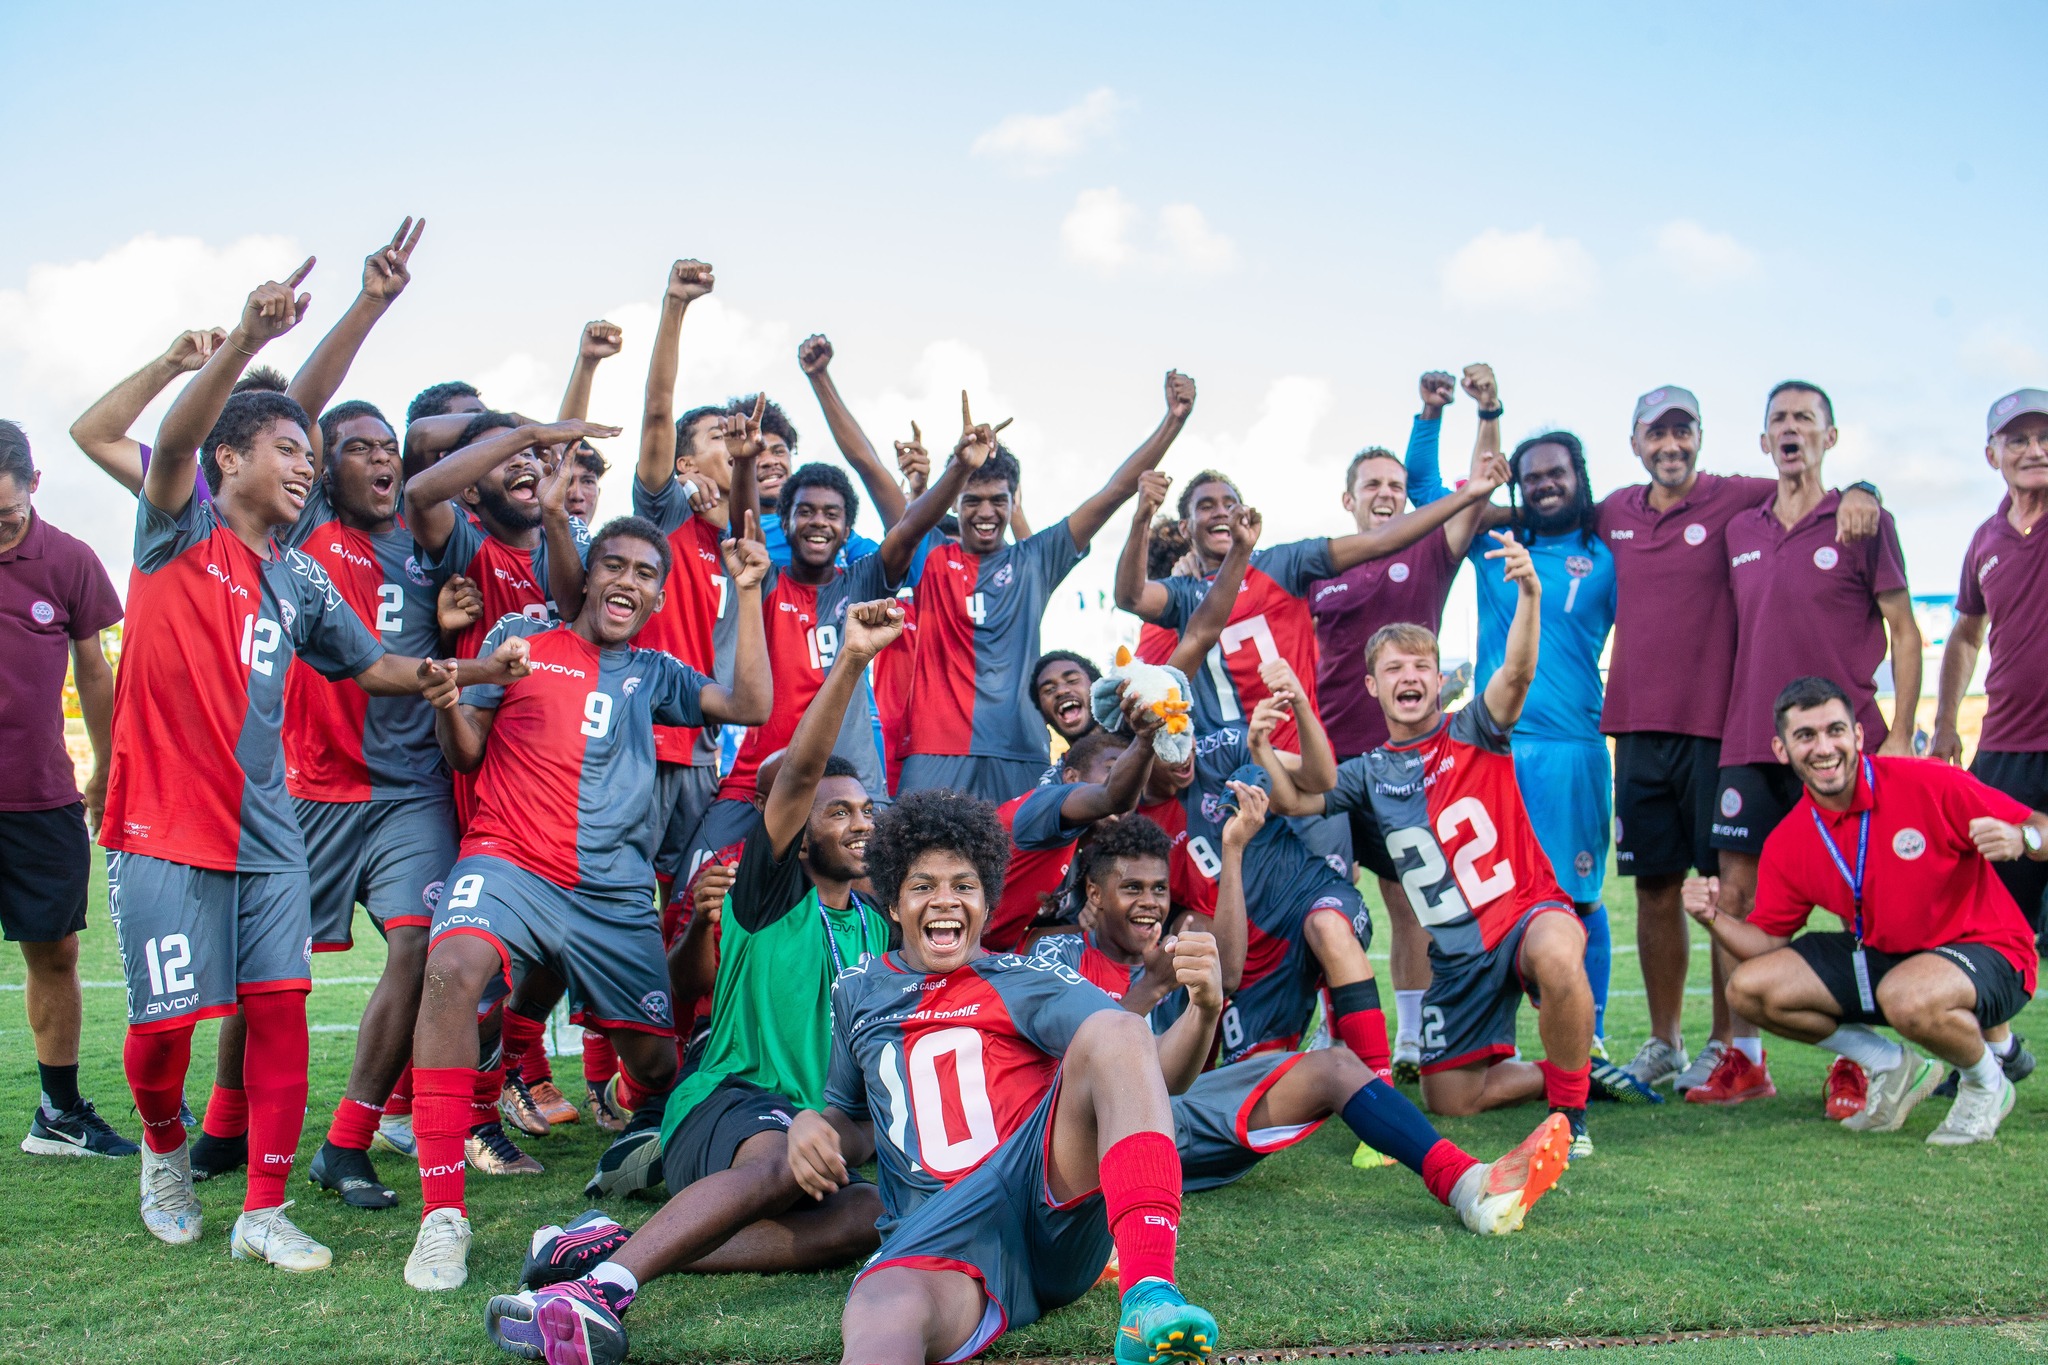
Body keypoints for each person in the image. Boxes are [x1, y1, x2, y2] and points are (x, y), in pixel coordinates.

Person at [103, 262, 526, 1270]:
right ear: (230, 458)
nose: (305, 465)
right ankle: (164, 1147)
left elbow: (376, 665)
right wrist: (246, 340)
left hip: (266, 824)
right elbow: (166, 439)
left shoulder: (297, 579)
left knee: (279, 1006)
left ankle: (261, 1208)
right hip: (162, 819)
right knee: (166, 1029)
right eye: (290, 448)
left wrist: (472, 667)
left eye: (310, 453)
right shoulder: (177, 529)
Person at [482, 599, 907, 1361]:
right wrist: (851, 660)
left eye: (866, 809)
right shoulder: (769, 895)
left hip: (810, 1130)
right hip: (730, 1103)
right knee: (780, 1156)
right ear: (794, 827)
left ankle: (598, 1248)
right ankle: (603, 1291)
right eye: (835, 810)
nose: (861, 822)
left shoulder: (879, 928)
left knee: (866, 1212)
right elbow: (800, 769)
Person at [401, 514, 768, 1292]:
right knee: (452, 966)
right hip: (509, 858)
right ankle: (442, 1214)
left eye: (643, 572)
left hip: (611, 890)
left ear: (659, 595)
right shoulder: (523, 640)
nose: (626, 581)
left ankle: (620, 1103)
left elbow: (751, 704)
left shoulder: (658, 672)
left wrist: (748, 589)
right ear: (587, 576)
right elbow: (466, 748)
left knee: (656, 1064)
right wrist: (445, 703)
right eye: (614, 565)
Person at [789, 789, 1220, 1365]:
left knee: (1119, 1029)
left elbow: (1147, 1069)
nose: (945, 901)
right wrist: (810, 1125)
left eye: (964, 885)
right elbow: (851, 1117)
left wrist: (1205, 1011)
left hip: (1046, 1208)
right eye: (923, 886)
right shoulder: (857, 993)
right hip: (939, 1236)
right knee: (885, 1310)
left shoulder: (1026, 977)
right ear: (892, 903)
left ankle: (1148, 1295)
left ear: (988, 902)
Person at [1265, 532, 1653, 1158]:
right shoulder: (1366, 772)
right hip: (1459, 954)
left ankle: (1570, 1113)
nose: (1409, 676)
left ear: (1441, 680)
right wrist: (1260, 746)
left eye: (1421, 666)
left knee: (1559, 950)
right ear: (1372, 687)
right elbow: (1297, 797)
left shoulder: (1474, 728)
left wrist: (1530, 591)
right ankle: (1573, 1070)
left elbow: (1520, 671)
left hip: (1524, 912)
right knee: (1453, 1098)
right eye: (1394, 668)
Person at [1037, 812, 1573, 1235]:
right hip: (1096, 1136)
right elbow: (1067, 1077)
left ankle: (1467, 1186)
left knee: (1334, 1067)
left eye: (1159, 888)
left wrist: (1202, 1003)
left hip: (1174, 1113)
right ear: (1095, 894)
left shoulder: (1175, 955)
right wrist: (1151, 988)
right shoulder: (1058, 954)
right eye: (1133, 888)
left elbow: (1196, 1056)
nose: (1150, 903)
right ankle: (1099, 1226)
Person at [1594, 384, 1882, 1093]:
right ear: (1634, 442)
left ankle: (1731, 1041)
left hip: (1718, 729)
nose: (1670, 445)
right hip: (1632, 726)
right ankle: (1665, 1040)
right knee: (1656, 889)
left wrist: (1863, 487)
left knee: (1725, 890)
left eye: (1682, 431)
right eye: (1656, 433)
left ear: (1700, 437)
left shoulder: (1734, 497)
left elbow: (1810, 478)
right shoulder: (1611, 513)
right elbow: (1544, 510)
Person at [1681, 676, 2042, 1145]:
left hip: (1990, 952)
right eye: (1805, 736)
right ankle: (1891, 1065)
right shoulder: (1789, 840)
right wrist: (1713, 917)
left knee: (1905, 993)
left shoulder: (1929, 782)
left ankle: (1986, 1084)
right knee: (1749, 990)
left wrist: (2024, 838)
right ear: (1781, 749)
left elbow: (2039, 825)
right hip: (1888, 958)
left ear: (1857, 736)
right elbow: (1767, 942)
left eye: (1835, 730)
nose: (1823, 747)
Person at [1692, 381, 1920, 1106]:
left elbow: (1906, 629)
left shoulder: (1860, 519)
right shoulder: (1741, 528)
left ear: (1830, 436)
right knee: (1738, 895)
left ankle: (1860, 1062)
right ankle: (1745, 1057)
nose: (1791, 430)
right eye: (1779, 421)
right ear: (1764, 443)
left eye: (1805, 419)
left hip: (1840, 744)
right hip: (1749, 739)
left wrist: (1909, 729)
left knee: (1860, 898)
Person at [1407, 369, 1621, 1058]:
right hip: (1496, 745)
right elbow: (1427, 492)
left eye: (1557, 473)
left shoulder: (1608, 555)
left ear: (1578, 477)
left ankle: (1588, 1040)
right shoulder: (1492, 541)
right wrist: (1440, 415)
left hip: (1575, 749)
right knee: (1484, 898)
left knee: (1579, 895)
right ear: (1517, 485)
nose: (1546, 484)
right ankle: (1491, 1043)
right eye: (1532, 477)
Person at [680, 435, 987, 890]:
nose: (817, 522)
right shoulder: (764, 582)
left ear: (847, 530)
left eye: (831, 514)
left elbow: (907, 530)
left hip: (853, 780)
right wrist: (744, 462)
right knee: (700, 875)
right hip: (759, 778)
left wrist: (959, 469)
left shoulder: (862, 581)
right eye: (805, 511)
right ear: (785, 522)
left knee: (876, 898)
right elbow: (745, 532)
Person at [1312, 371, 1496, 1077]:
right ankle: (1339, 1036)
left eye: (1395, 484)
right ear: (1349, 498)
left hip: (1405, 763)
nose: (1386, 493)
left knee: (1411, 894)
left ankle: (1415, 1036)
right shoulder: (1320, 564)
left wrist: (1482, 410)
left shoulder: (1427, 552)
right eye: (1373, 485)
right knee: (1326, 902)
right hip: (1329, 766)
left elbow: (1478, 487)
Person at [897, 374, 1197, 804]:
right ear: (952, 503)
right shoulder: (928, 554)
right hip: (934, 747)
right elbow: (880, 484)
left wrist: (1173, 420)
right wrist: (924, 485)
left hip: (1020, 750)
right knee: (915, 866)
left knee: (1018, 868)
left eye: (998, 499)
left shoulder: (1035, 560)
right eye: (972, 500)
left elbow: (1113, 490)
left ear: (1014, 500)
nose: (986, 512)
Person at [1114, 426, 1503, 757]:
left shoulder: (1284, 564)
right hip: (1223, 766)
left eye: (1230, 503)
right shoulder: (1182, 591)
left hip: (1306, 760)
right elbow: (1130, 598)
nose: (1220, 512)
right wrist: (1142, 516)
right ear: (1185, 529)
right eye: (1207, 506)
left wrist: (1468, 495)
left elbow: (1379, 541)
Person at [1, 422, 134, 1158]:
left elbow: (96, 669)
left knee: (53, 955)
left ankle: (57, 1114)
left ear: (34, 486)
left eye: (6, 515)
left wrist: (105, 765)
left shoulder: (70, 559)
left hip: (37, 794)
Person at [1934, 387, 2048, 947]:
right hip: (2006, 750)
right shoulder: (1985, 540)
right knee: (1992, 923)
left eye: (2046, 438)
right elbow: (1964, 635)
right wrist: (1946, 724)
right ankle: (1999, 1040)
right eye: (2019, 439)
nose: (2035, 450)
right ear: (1992, 454)